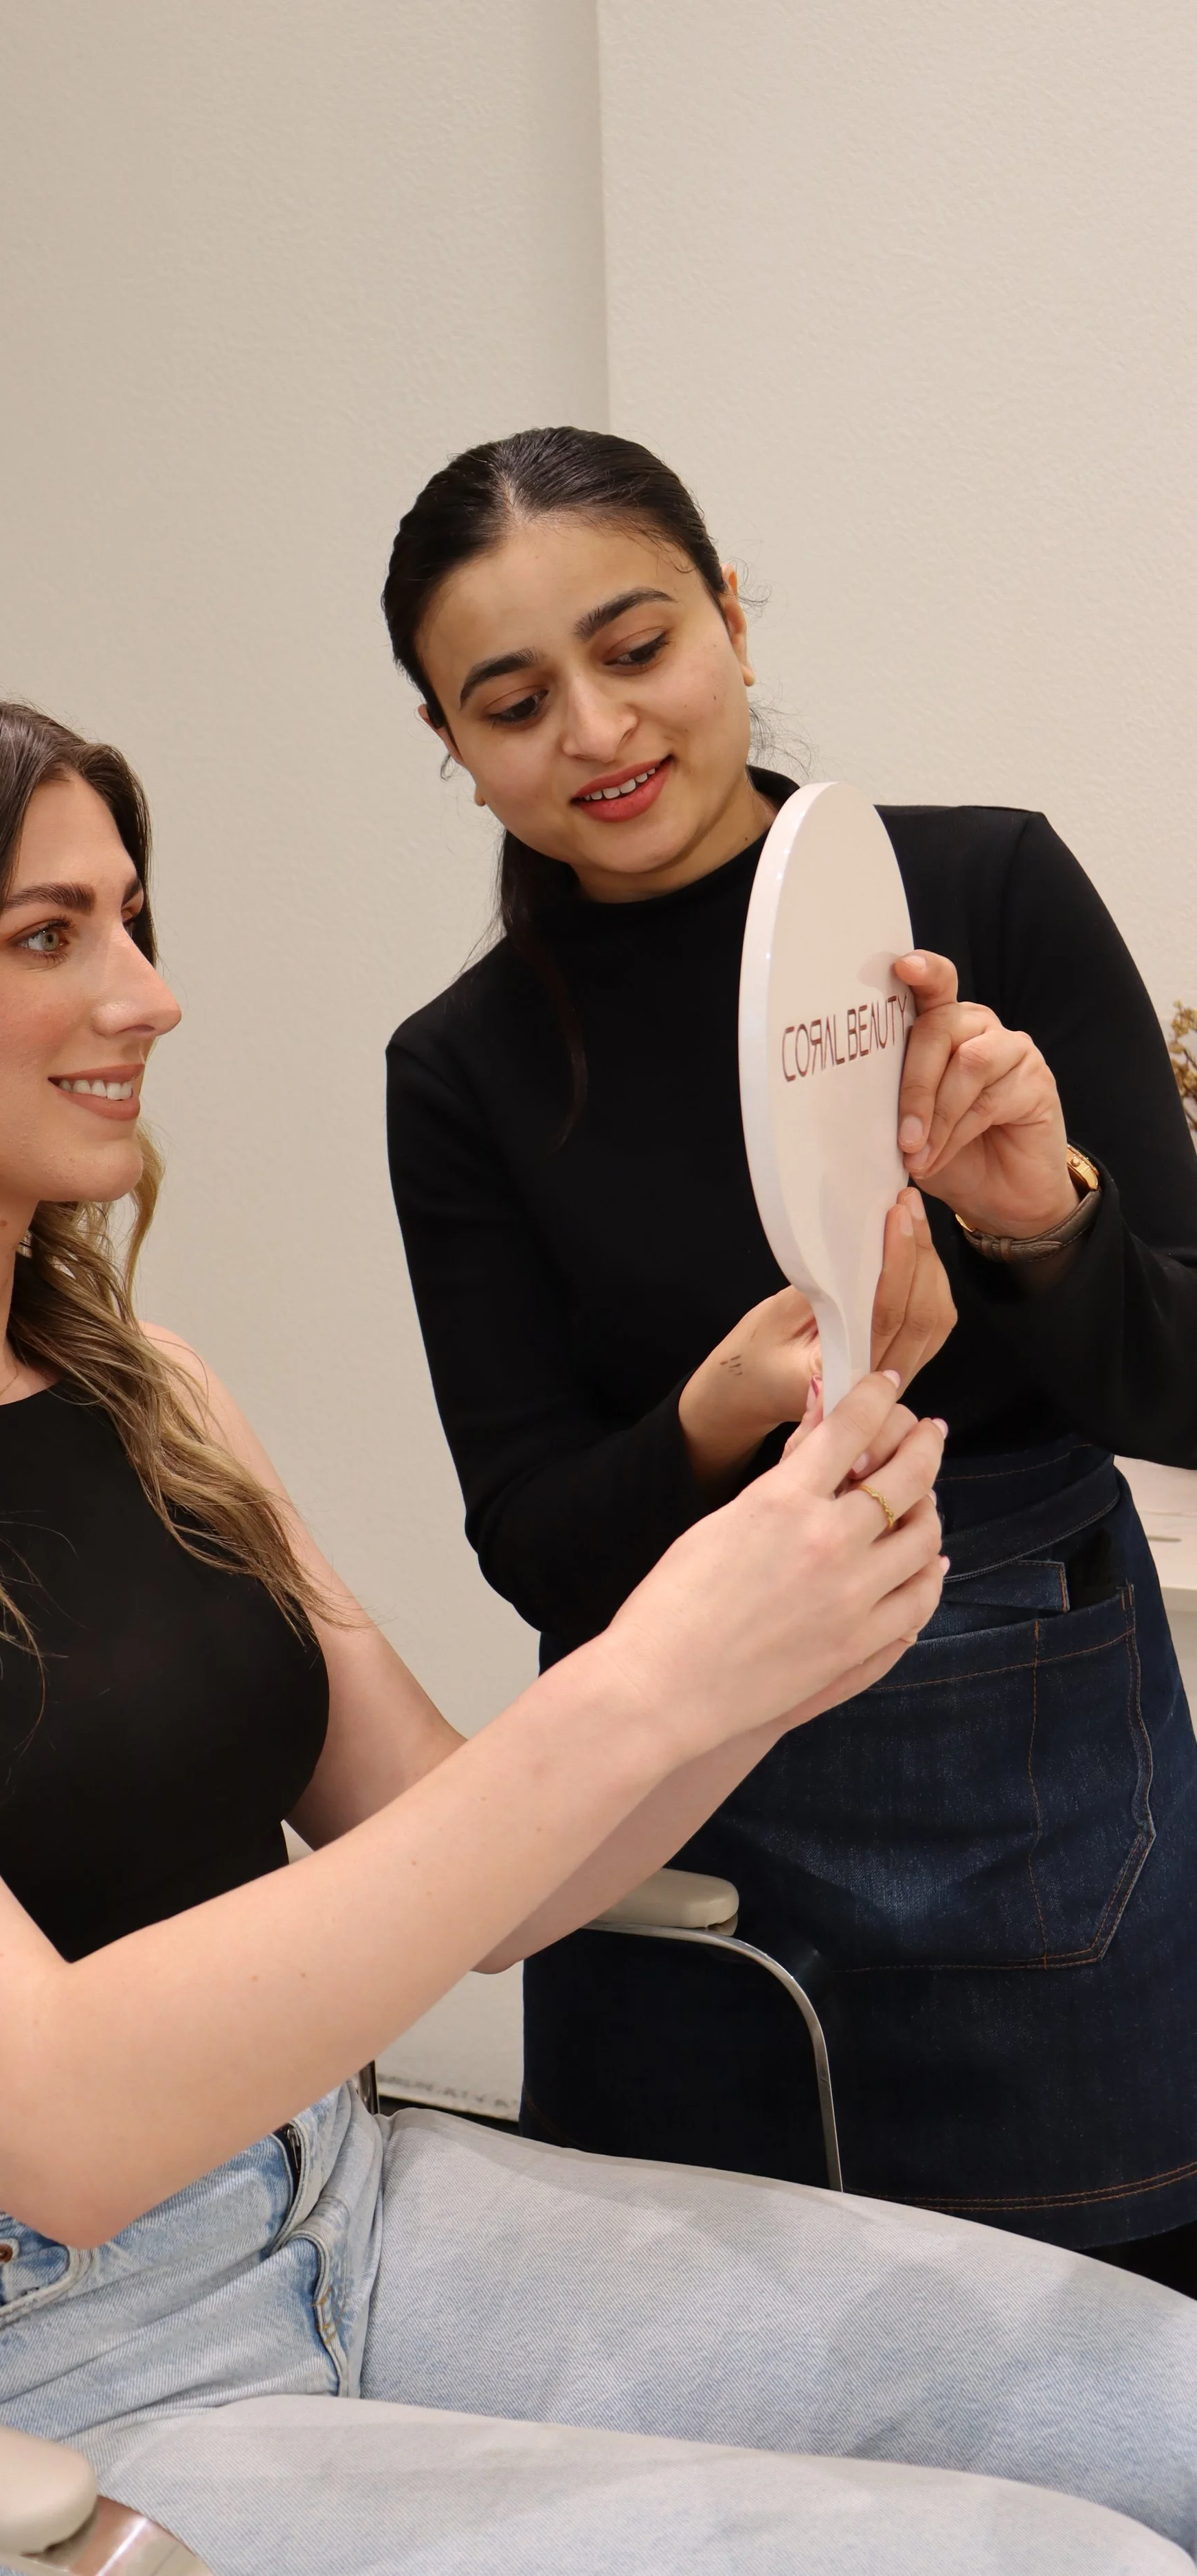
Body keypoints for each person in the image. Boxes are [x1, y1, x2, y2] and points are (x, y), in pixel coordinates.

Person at [0, 691, 1197, 2576]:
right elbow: (50, 2115)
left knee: (1159, 2409)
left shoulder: (144, 1386)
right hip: (4, 2380)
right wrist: (653, 1670)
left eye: (133, 921)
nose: (147, 996)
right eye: (49, 933)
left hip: (348, 2198)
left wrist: (770, 1627)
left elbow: (485, 1875)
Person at [381, 427, 1197, 2290]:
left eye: (635, 643)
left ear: (732, 615)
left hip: (1039, 1776)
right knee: (711, 2398)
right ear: (449, 742)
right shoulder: (462, 1068)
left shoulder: (977, 895)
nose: (592, 729)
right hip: (671, 1790)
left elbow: (1176, 1382)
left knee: (1107, 2361)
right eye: (510, 701)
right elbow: (532, 1537)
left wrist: (1032, 1218)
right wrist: (718, 1411)